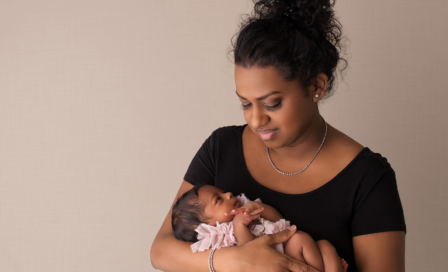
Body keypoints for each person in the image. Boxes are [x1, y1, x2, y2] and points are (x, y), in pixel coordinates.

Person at [151, 0, 407, 271]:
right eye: (245, 103)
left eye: (272, 103)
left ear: (316, 86)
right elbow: (162, 250)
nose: (256, 120)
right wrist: (238, 260)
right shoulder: (221, 148)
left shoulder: (368, 178)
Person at [171, 184, 348, 272]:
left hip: (293, 253)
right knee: (299, 239)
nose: (228, 194)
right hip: (278, 262)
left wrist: (256, 207)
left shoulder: (245, 208)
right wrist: (239, 225)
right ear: (206, 227)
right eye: (218, 199)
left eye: (222, 192)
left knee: (325, 245)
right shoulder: (225, 241)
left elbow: (279, 221)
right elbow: (250, 254)